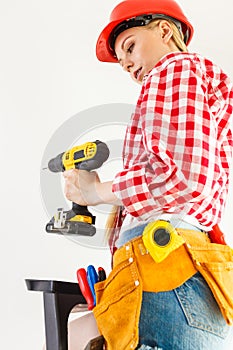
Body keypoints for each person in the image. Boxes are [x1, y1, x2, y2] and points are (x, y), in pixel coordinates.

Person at [63, 0, 233, 349]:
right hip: (182, 281)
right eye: (122, 61)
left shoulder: (174, 70)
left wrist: (95, 191)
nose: (126, 63)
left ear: (165, 31)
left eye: (130, 46)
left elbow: (185, 180)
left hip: (167, 280)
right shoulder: (196, 84)